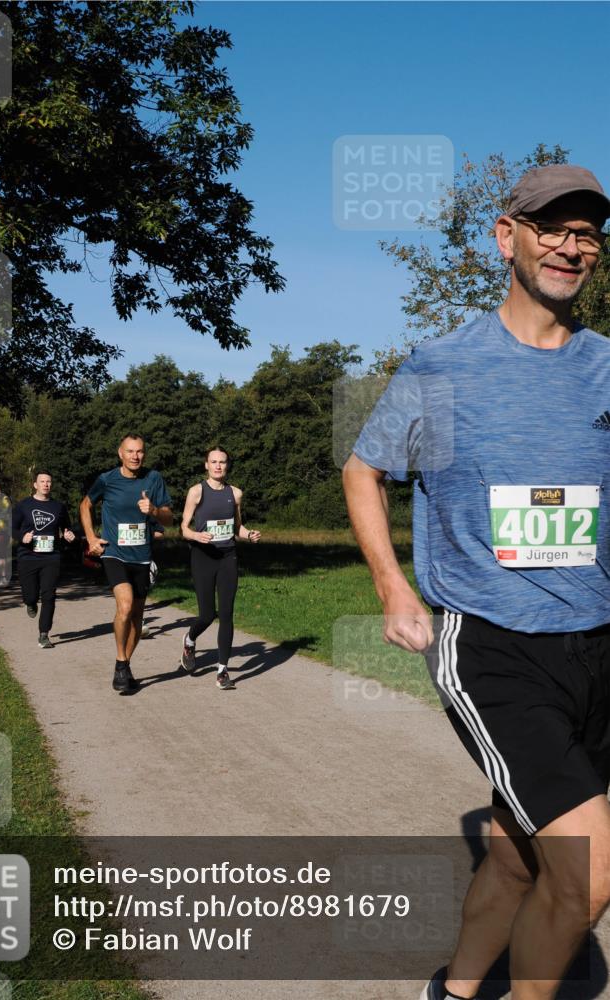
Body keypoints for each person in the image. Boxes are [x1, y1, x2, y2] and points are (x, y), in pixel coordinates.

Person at [343, 164, 610, 1000]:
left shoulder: (607, 368)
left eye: (588, 233)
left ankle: (451, 992)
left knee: (517, 855)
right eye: (551, 227)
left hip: (597, 644)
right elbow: (363, 470)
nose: (571, 246)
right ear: (506, 237)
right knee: (589, 871)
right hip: (493, 642)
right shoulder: (443, 367)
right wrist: (393, 588)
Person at [80, 434, 173, 694]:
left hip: (142, 556)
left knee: (137, 617)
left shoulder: (153, 479)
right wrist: (91, 538)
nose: (135, 456)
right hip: (114, 553)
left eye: (140, 451)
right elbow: (85, 505)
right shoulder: (107, 479)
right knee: (125, 605)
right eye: (130, 451)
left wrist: (154, 511)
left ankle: (124, 664)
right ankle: (121, 660)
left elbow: (168, 519)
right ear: (120, 453)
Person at [179, 447, 261, 690]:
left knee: (226, 613)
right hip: (203, 557)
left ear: (227, 465)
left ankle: (222, 671)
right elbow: (183, 528)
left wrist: (249, 534)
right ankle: (190, 640)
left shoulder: (235, 493)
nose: (218, 466)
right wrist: (196, 535)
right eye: (213, 462)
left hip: (228, 557)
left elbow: (237, 527)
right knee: (207, 615)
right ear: (206, 465)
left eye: (222, 462)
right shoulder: (196, 491)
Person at [12, 471, 75, 649]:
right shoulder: (23, 505)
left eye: (48, 481)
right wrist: (22, 536)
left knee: (49, 595)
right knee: (31, 595)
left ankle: (44, 634)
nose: (46, 484)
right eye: (42, 481)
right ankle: (30, 603)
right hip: (28, 556)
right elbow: (12, 527)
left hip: (51, 557)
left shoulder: (58, 507)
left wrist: (69, 534)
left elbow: (66, 527)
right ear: (35, 485)